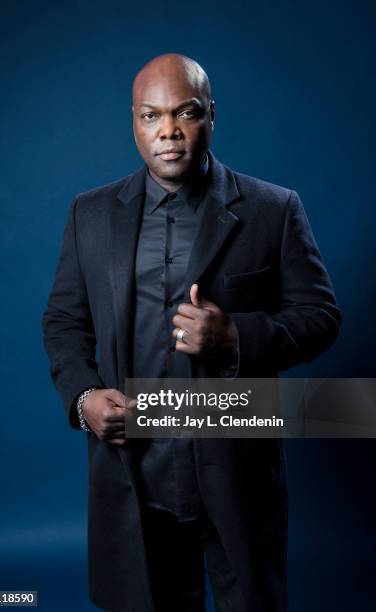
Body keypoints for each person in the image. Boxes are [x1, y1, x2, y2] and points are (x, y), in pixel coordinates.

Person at [42, 53, 341, 612]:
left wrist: (237, 337)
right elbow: (64, 321)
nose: (168, 132)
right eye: (151, 117)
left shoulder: (274, 210)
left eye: (185, 113)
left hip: (237, 468)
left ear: (210, 116)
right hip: (134, 467)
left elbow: (322, 316)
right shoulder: (90, 214)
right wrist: (83, 397)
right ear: (134, 122)